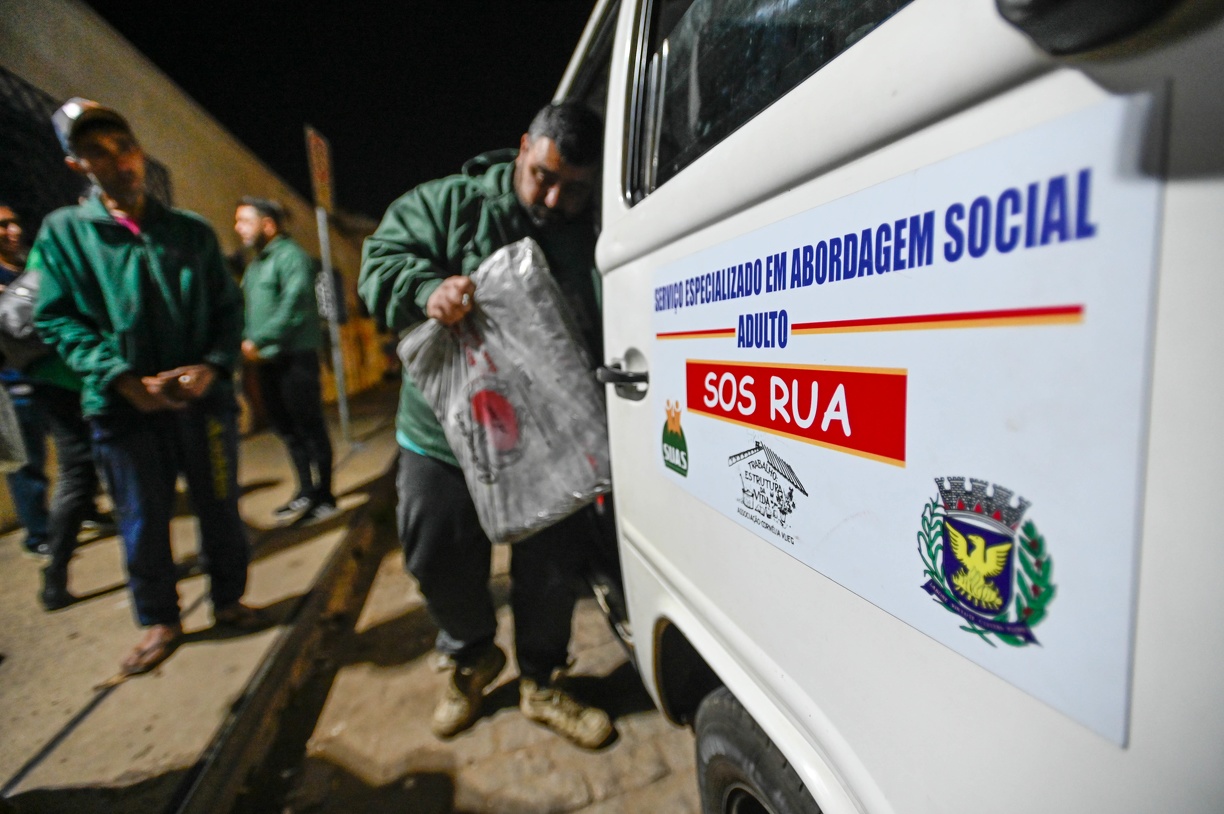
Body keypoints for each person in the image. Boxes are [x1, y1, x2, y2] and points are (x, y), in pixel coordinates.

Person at [359, 102, 612, 748]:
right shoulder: (452, 204)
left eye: (574, 188)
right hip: (445, 434)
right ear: (523, 146)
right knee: (434, 550)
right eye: (542, 176)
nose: (554, 198)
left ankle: (541, 679)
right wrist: (425, 291)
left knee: (554, 565)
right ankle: (471, 658)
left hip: (549, 441)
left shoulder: (595, 233)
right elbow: (379, 261)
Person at [32, 98, 260, 674]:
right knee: (142, 517)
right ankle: (160, 619)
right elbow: (56, 319)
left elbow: (229, 311)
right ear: (76, 165)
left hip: (200, 403)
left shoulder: (190, 231)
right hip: (123, 409)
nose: (119, 162)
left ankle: (229, 599)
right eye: (97, 153)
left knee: (219, 506)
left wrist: (211, 365)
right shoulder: (64, 235)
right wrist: (119, 377)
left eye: (125, 147)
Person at [234, 197, 336, 524]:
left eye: (244, 221)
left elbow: (294, 306)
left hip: (296, 360)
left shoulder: (292, 258)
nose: (238, 228)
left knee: (310, 428)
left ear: (268, 224)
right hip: (266, 362)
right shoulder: (255, 265)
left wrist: (257, 340)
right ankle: (305, 491)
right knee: (286, 429)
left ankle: (326, 496)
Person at [0, 202, 50, 559]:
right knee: (26, 461)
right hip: (11, 380)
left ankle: (85, 512)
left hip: (46, 373)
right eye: (3, 226)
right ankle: (39, 533)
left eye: (15, 223)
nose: (12, 231)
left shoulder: (25, 267)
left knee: (74, 451)